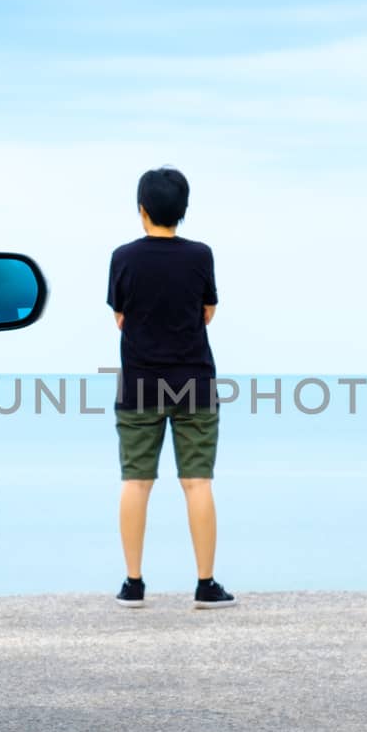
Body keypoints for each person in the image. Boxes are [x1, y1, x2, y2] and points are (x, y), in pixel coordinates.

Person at [107, 167, 235, 610]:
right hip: (195, 383)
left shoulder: (123, 257)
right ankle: (206, 585)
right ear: (183, 211)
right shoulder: (201, 255)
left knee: (136, 483)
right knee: (197, 483)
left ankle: (134, 584)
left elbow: (120, 317)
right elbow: (208, 311)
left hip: (139, 383)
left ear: (141, 210)